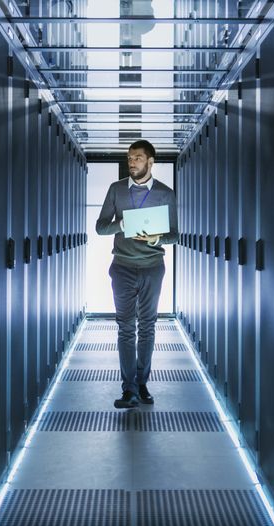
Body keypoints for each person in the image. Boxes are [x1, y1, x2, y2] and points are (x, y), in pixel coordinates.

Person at [95, 140, 179, 409]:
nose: (132, 162)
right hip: (122, 267)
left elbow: (175, 235)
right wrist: (121, 224)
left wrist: (156, 239)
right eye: (130, 158)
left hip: (153, 267)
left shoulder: (165, 194)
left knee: (147, 326)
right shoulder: (116, 189)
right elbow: (100, 228)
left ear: (150, 162)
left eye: (138, 158)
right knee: (126, 328)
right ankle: (129, 388)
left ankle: (142, 383)